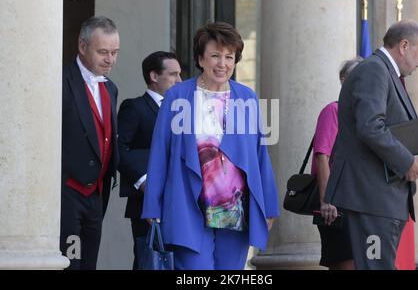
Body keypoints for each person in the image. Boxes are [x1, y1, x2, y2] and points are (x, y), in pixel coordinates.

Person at [141, 22, 279, 270]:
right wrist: (152, 203)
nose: (222, 64)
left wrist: (268, 206)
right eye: (215, 55)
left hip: (236, 210)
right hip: (188, 205)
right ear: (201, 59)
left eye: (229, 57)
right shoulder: (178, 96)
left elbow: (260, 154)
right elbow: (160, 152)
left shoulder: (246, 97)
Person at [323, 19, 418, 270]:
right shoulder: (374, 70)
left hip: (381, 198)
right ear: (404, 46)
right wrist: (406, 162)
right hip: (372, 198)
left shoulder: (384, 71)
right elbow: (370, 126)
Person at [61, 16, 120, 270]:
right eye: (103, 52)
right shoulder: (60, 80)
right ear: (82, 47)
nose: (110, 59)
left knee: (88, 266)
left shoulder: (111, 88)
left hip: (97, 193)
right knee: (68, 265)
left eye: (115, 52)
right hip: (67, 192)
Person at [118, 51, 181, 270]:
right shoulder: (134, 107)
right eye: (173, 74)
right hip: (146, 204)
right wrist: (145, 183)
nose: (179, 80)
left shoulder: (183, 110)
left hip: (180, 201)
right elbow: (119, 150)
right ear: (154, 76)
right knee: (150, 263)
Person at [312, 57, 363, 270]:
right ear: (344, 80)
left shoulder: (364, 118)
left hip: (360, 204)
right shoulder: (333, 111)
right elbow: (321, 155)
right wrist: (327, 200)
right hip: (336, 205)